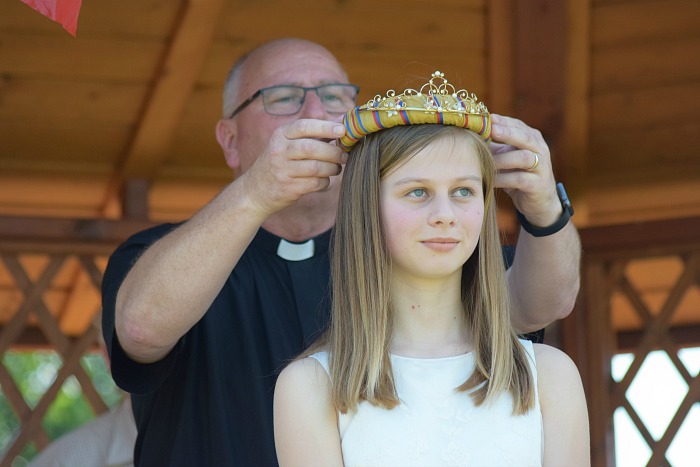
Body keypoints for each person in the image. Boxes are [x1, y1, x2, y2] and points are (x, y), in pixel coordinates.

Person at [101, 38, 581, 466]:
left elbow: (540, 306)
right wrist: (257, 192)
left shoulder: (418, 243)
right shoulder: (158, 252)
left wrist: (545, 209)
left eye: (335, 96)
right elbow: (141, 330)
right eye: (283, 97)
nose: (316, 112)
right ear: (229, 139)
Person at [274, 76, 590, 466]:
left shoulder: (550, 377)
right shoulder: (311, 387)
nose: (445, 215)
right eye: (417, 192)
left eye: (463, 191)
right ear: (366, 207)